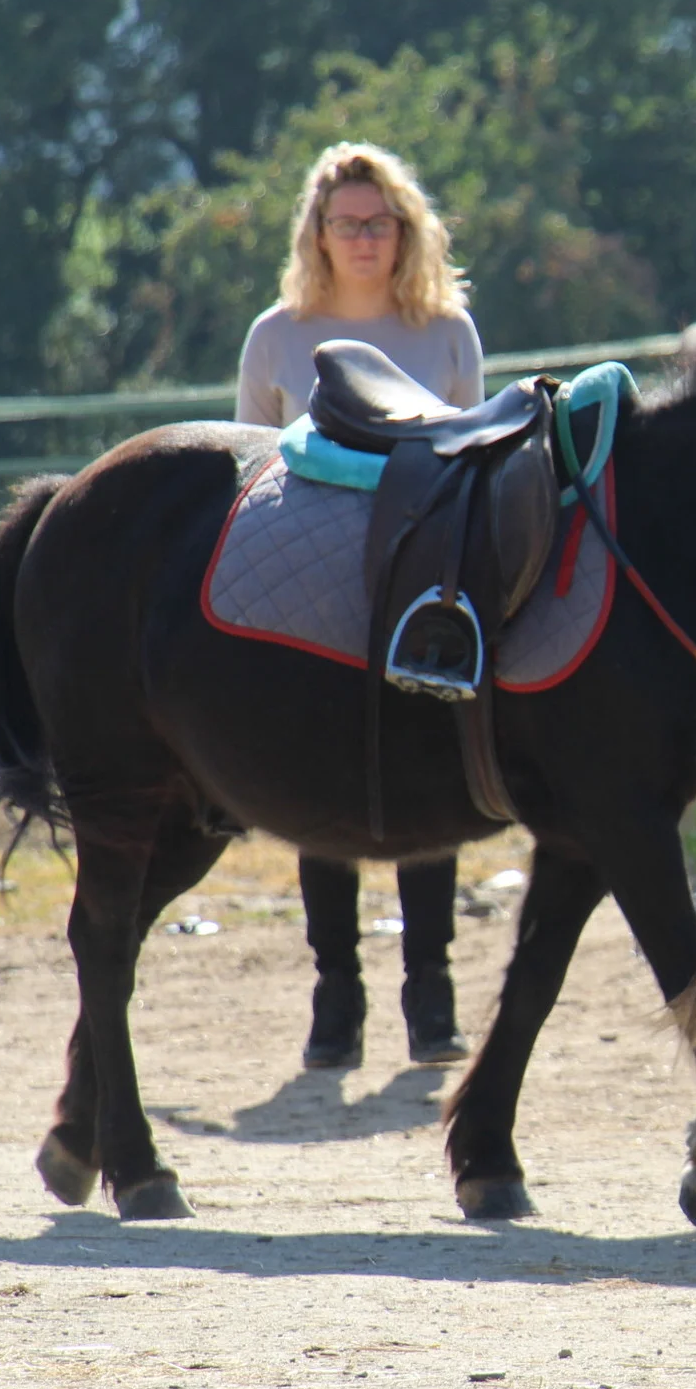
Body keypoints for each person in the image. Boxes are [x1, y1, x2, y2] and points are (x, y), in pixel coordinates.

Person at [235, 141, 486, 1070]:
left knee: (430, 772)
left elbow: (472, 464)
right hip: (311, 588)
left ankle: (432, 991)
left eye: (380, 221)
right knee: (317, 785)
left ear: (405, 229)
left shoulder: (447, 332)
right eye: (348, 223)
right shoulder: (276, 334)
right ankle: (334, 995)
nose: (365, 238)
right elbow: (250, 465)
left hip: (421, 583)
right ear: (320, 233)